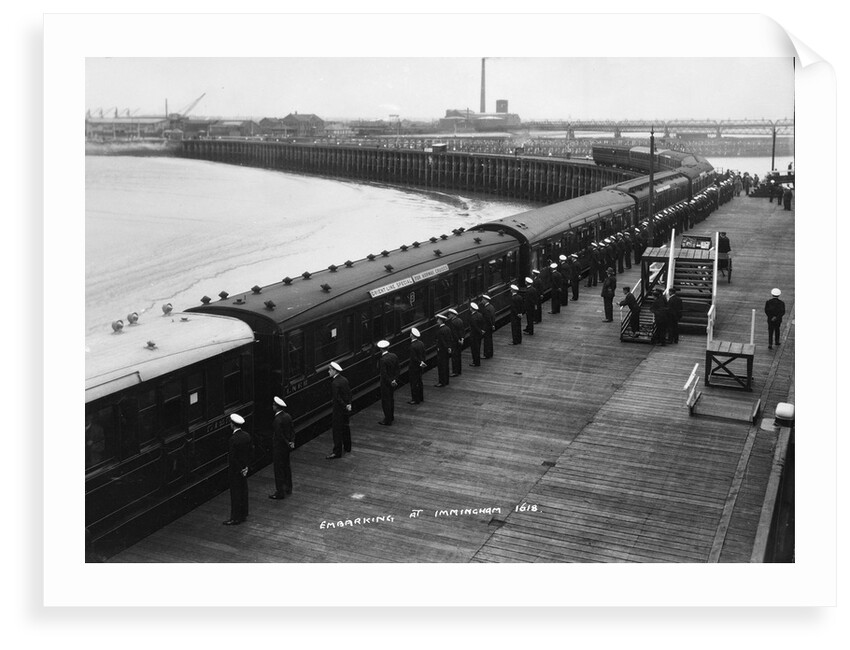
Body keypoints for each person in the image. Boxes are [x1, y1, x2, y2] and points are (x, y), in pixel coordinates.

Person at [223, 413, 252, 525]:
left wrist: (240, 468)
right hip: (244, 469)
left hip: (235, 471)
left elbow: (233, 457)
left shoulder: (233, 439)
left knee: (235, 494)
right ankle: (243, 514)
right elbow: (250, 452)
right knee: (243, 491)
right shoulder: (246, 436)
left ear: (232, 425)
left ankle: (235, 518)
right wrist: (246, 467)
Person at [268, 397, 294, 500]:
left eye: (273, 405)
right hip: (286, 448)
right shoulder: (287, 416)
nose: (272, 406)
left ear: (276, 407)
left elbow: (279, 435)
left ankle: (280, 492)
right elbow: (291, 430)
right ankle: (288, 487)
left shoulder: (277, 420)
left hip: (279, 448)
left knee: (278, 469)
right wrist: (291, 442)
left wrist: (287, 443)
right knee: (286, 467)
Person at [326, 361, 352, 459]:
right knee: (346, 427)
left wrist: (344, 405)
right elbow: (349, 393)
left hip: (338, 410)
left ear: (334, 371)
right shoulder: (344, 380)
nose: (328, 372)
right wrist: (348, 404)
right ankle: (348, 447)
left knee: (337, 431)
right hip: (346, 409)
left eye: (330, 370)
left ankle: (337, 452)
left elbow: (337, 398)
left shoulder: (335, 383)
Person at [377, 340, 399, 425]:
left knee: (386, 401)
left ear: (381, 349)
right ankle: (391, 416)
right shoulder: (394, 356)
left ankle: (387, 419)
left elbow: (384, 374)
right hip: (393, 382)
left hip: (386, 384)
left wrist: (390, 381)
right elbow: (397, 369)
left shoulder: (382, 360)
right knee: (391, 399)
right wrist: (394, 380)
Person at [407, 328, 426, 404]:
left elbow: (414, 358)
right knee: (419, 381)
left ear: (412, 335)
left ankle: (415, 399)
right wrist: (422, 362)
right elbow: (424, 354)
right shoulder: (421, 343)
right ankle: (421, 397)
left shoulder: (412, 346)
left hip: (414, 367)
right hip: (420, 366)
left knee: (414, 383)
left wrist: (418, 362)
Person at [434, 313, 453, 386]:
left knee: (441, 366)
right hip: (446, 350)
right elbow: (449, 339)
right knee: (446, 365)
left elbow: (442, 341)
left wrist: (443, 348)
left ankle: (442, 382)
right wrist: (449, 348)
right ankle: (446, 380)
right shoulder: (447, 328)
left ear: (441, 321)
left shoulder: (440, 330)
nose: (437, 321)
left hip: (442, 351)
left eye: (438, 320)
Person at [448, 308, 465, 377]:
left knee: (454, 357)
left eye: (449, 314)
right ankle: (459, 370)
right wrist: (462, 339)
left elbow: (454, 333)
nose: (448, 316)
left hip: (455, 342)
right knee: (458, 356)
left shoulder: (452, 322)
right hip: (460, 341)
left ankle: (455, 372)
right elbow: (462, 331)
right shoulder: (460, 320)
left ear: (453, 315)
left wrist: (458, 339)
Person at [468, 302, 486, 366]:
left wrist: (480, 331)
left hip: (474, 335)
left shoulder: (472, 317)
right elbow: (483, 323)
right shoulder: (480, 315)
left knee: (474, 349)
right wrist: (482, 330)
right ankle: (477, 361)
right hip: (479, 335)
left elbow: (475, 327)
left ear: (472, 309)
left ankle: (475, 362)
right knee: (478, 348)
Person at [481, 294, 496, 358]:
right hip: (490, 326)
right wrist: (493, 325)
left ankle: (487, 354)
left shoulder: (486, 309)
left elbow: (487, 320)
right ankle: (490, 353)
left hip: (487, 327)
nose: (482, 301)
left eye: (483, 300)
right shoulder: (491, 307)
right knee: (490, 340)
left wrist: (484, 329)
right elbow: (493, 317)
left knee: (487, 341)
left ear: (485, 300)